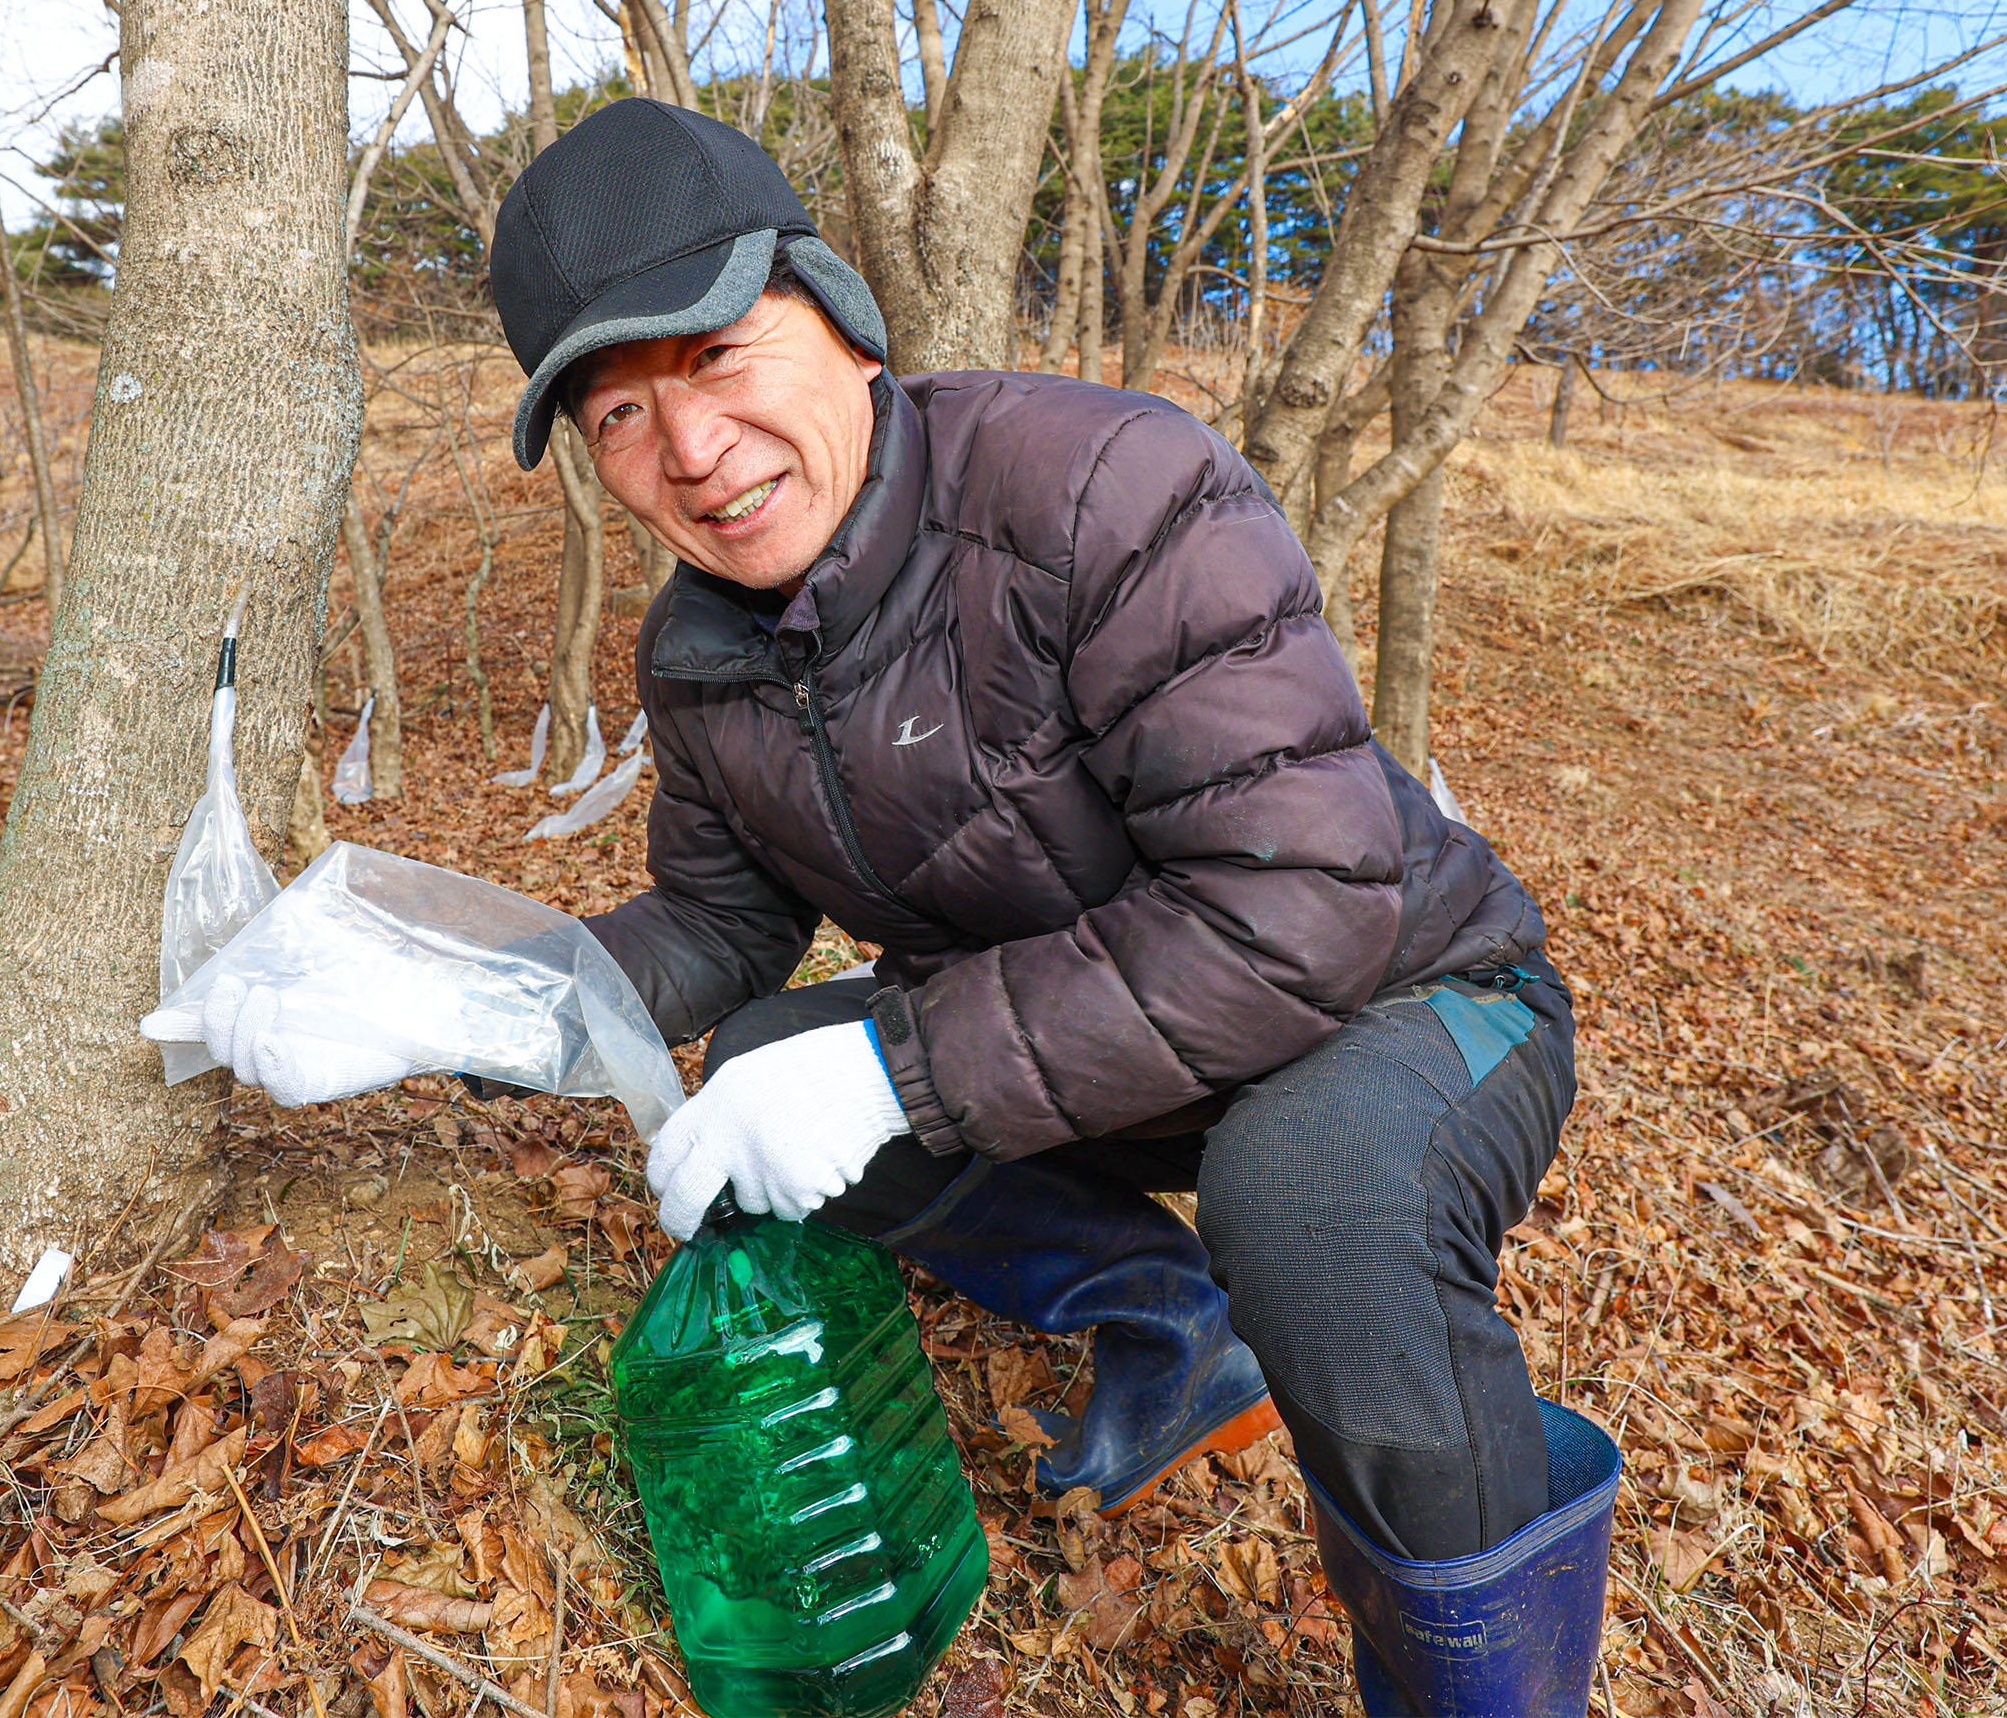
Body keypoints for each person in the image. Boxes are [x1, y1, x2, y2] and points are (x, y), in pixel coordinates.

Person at [232, 98, 1619, 1718]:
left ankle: (1485, 1696)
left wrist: (898, 1070)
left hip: (1403, 997)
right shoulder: (699, 657)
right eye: (615, 415)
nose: (688, 450)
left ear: (845, 322)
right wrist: (450, 998)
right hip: (1104, 1047)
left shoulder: (1103, 489)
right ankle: (1168, 1321)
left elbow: (1299, 906)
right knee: (764, 1045)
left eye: (723, 356)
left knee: (1305, 1196)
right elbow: (714, 932)